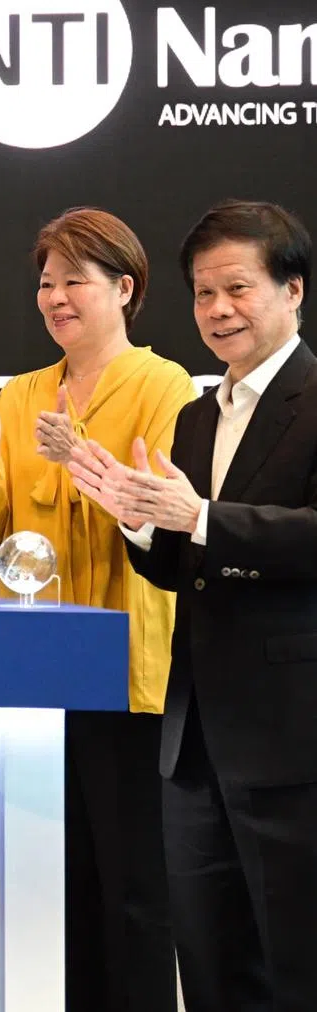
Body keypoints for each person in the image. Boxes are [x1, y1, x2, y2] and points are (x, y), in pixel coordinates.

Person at [0, 207, 194, 1012]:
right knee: (63, 886)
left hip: (123, 669)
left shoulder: (163, 384)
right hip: (37, 676)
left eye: (74, 280)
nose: (55, 298)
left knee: (134, 891)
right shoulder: (20, 395)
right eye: (46, 282)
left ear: (125, 287)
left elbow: (153, 514)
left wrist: (75, 453)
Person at [69, 201, 317, 1012]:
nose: (218, 310)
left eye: (238, 288)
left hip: (292, 741)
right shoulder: (197, 415)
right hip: (193, 742)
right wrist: (137, 520)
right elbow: (183, 568)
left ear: (293, 291)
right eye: (204, 293)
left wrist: (200, 517)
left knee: (296, 965)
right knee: (210, 967)